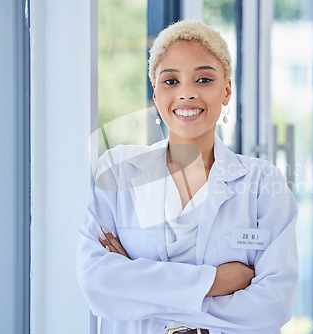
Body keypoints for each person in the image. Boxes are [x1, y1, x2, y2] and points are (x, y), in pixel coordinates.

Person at [77, 20, 298, 334]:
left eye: (204, 79)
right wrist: (215, 282)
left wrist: (138, 287)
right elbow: (97, 283)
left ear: (226, 90)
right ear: (155, 93)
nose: (186, 94)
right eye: (171, 81)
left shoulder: (263, 184)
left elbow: (273, 305)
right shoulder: (119, 172)